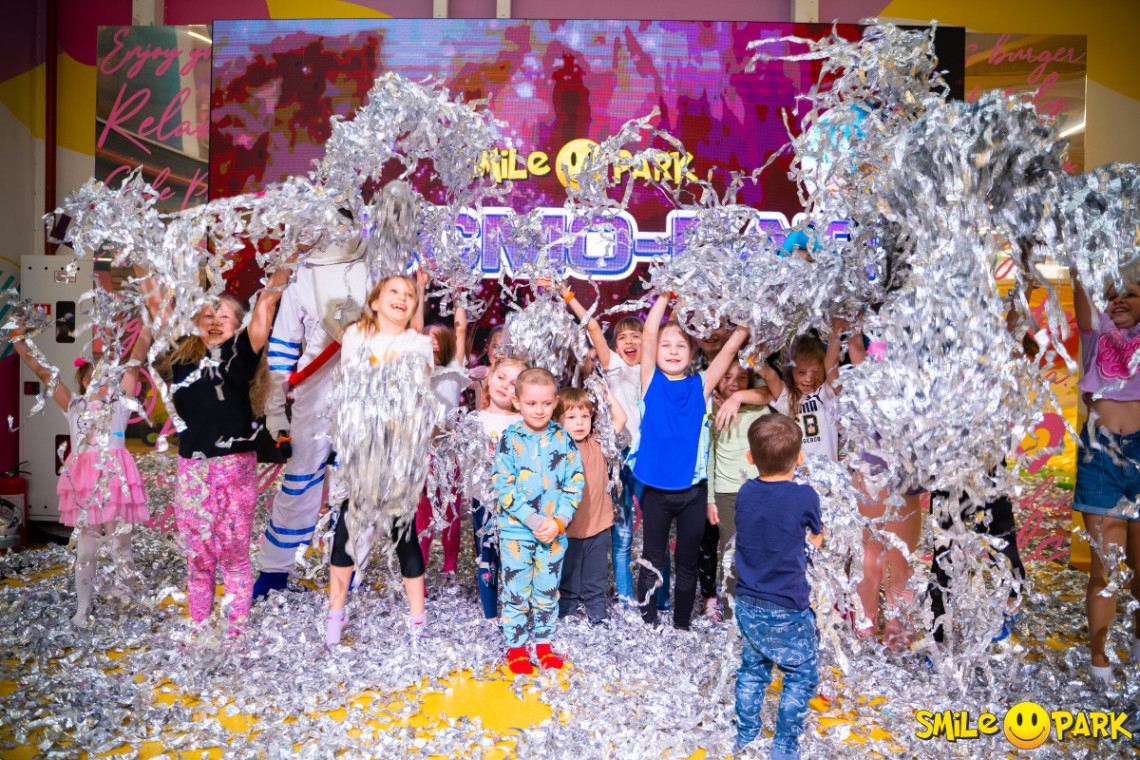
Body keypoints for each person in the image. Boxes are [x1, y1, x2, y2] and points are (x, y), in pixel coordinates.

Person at [161, 267, 288, 633]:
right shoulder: (182, 356)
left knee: (234, 557)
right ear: (195, 324)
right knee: (199, 560)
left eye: (224, 316)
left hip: (235, 467)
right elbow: (157, 305)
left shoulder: (240, 352)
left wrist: (287, 259)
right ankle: (200, 629)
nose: (215, 320)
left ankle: (235, 633)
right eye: (207, 315)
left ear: (239, 325)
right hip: (194, 468)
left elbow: (266, 304)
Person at [13, 323, 151, 625]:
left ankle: (126, 600)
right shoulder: (74, 405)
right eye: (104, 376)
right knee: (86, 550)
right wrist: (20, 341)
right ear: (87, 381)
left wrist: (149, 324)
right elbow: (43, 372)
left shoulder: (120, 405)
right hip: (84, 483)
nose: (111, 380)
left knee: (120, 547)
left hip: (115, 479)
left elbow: (136, 361)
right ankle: (83, 606)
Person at [324, 275, 434, 646]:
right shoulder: (356, 335)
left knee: (405, 535)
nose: (402, 298)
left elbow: (417, 396)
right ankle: (335, 616)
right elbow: (352, 388)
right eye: (394, 292)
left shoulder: (420, 343)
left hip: (400, 456)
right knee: (347, 532)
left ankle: (417, 621)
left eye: (409, 295)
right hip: (362, 453)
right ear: (375, 301)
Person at [634, 294, 747, 630]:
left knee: (687, 561)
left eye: (681, 345)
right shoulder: (650, 382)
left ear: (693, 351)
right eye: (666, 345)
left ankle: (681, 624)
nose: (672, 351)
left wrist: (746, 324)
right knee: (652, 560)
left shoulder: (701, 386)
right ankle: (648, 624)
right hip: (656, 493)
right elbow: (649, 332)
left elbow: (729, 350)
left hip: (693, 493)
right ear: (655, 352)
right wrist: (665, 295)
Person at [734, 413, 823, 760]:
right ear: (799, 458)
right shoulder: (805, 496)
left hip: (747, 601)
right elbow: (815, 539)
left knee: (752, 670)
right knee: (800, 674)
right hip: (788, 603)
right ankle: (784, 746)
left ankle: (745, 735)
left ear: (750, 457)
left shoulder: (745, 492)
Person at [492, 368, 584, 675]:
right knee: (516, 592)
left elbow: (575, 483)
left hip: (554, 533)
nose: (539, 410)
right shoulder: (509, 440)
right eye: (531, 403)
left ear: (555, 402)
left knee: (547, 591)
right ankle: (516, 648)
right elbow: (504, 487)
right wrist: (533, 521)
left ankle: (544, 644)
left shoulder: (564, 439)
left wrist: (559, 522)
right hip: (516, 533)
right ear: (517, 402)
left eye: (546, 403)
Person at [557, 282, 643, 604]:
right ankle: (624, 596)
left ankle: (657, 598)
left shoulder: (654, 369)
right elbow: (593, 327)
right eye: (622, 337)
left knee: (653, 536)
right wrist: (568, 297)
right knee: (620, 533)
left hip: (649, 457)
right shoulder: (615, 367)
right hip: (619, 454)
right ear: (615, 346)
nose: (629, 341)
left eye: (636, 336)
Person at [1072, 277, 1140, 684]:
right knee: (1107, 569)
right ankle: (1100, 665)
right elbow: (1080, 287)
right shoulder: (1097, 333)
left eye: (1130, 294)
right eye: (1112, 296)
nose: (1119, 301)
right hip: (1100, 457)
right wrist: (1074, 262)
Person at [700, 361, 770, 620]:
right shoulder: (711, 411)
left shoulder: (760, 408)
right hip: (726, 494)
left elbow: (769, 392)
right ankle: (731, 615)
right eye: (727, 376)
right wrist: (710, 499)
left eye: (742, 377)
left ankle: (758, 612)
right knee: (732, 555)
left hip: (759, 492)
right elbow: (709, 457)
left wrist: (738, 398)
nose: (734, 382)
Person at [555, 385, 627, 625]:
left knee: (596, 579)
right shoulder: (555, 447)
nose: (580, 423)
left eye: (585, 416)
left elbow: (621, 419)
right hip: (567, 530)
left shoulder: (598, 442)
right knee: (568, 580)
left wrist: (605, 394)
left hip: (597, 526)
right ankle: (566, 616)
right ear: (557, 421)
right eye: (571, 417)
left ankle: (598, 615)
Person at [470, 356, 526, 623]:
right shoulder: (474, 420)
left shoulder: (524, 423)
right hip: (482, 500)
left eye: (514, 383)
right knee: (487, 556)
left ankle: (517, 611)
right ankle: (491, 616)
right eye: (501, 377)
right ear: (489, 379)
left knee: (515, 556)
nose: (505, 385)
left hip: (516, 503)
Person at [416, 316, 468, 574]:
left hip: (448, 451)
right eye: (428, 338)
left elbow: (461, 328)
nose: (433, 342)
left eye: (438, 338)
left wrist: (459, 300)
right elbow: (415, 328)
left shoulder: (455, 369)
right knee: (422, 514)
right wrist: (419, 295)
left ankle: (450, 569)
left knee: (450, 512)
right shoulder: (417, 372)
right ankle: (418, 568)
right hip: (422, 452)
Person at [759, 321, 846, 462]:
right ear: (791, 372)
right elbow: (769, 375)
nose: (809, 378)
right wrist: (750, 356)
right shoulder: (786, 397)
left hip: (831, 473)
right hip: (797, 474)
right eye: (801, 372)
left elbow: (831, 363)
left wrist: (835, 334)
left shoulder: (828, 392)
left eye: (815, 372)